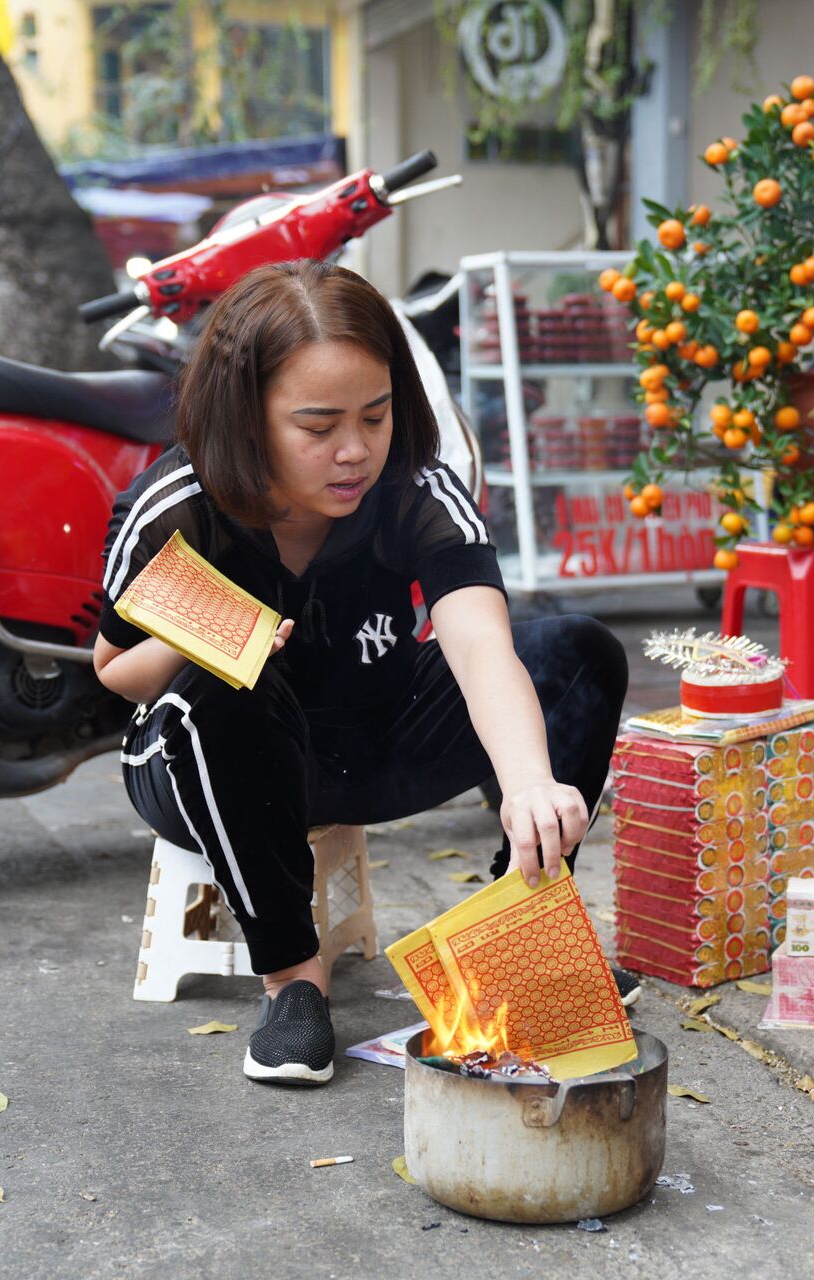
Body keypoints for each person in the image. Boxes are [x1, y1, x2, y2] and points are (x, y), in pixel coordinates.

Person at [92, 260, 629, 1086]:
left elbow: (481, 642)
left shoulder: (415, 489)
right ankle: (293, 985)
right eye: (318, 427)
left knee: (578, 653)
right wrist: (216, 636)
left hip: (371, 740)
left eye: (374, 417)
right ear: (248, 419)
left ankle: (518, 931)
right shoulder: (181, 508)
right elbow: (114, 670)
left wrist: (528, 781)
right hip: (208, 763)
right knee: (216, 686)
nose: (354, 452)